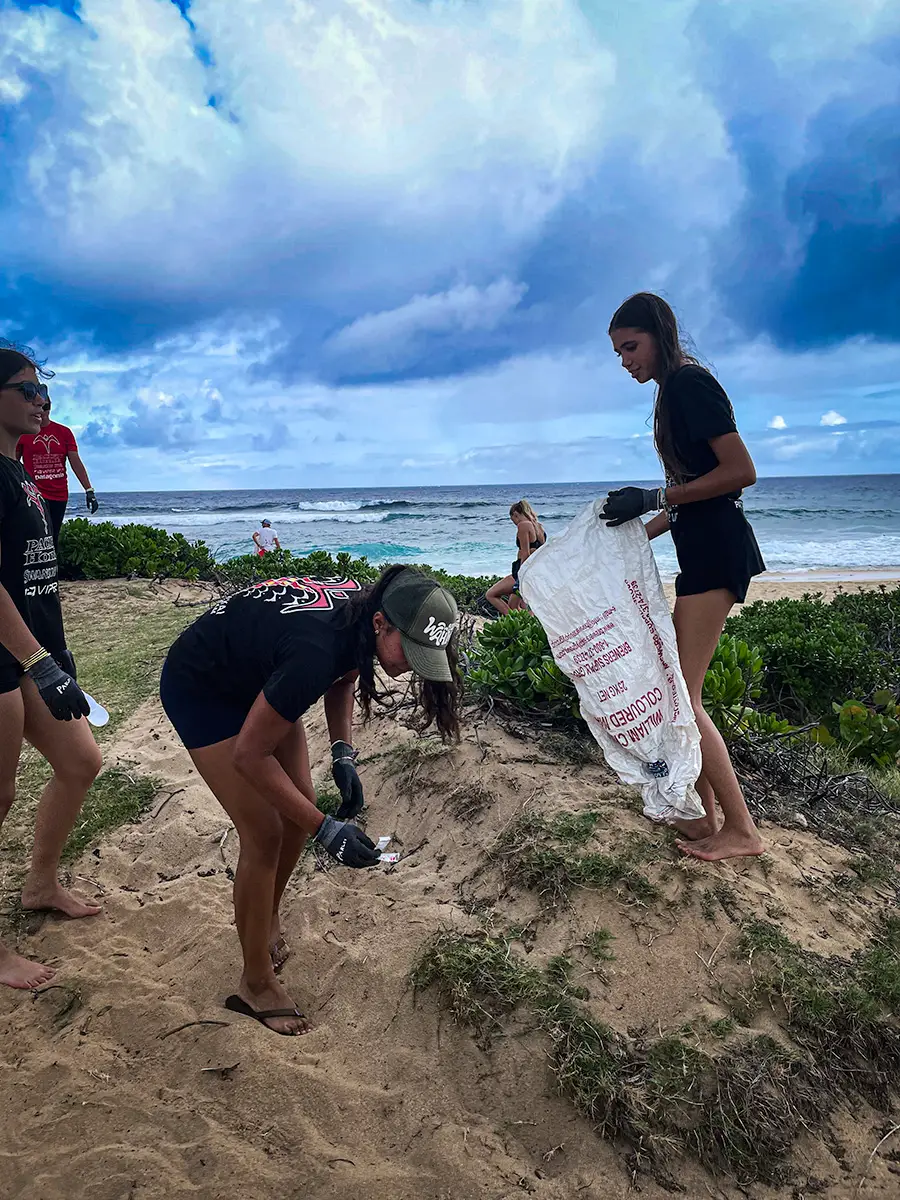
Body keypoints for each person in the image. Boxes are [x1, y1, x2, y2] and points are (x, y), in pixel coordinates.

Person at [159, 564, 461, 1035]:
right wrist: (328, 830)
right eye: (412, 650)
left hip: (260, 678)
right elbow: (249, 755)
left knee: (297, 813)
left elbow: (343, 674)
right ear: (381, 623)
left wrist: (343, 754)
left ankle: (265, 915)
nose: (413, 667)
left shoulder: (360, 615)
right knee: (265, 833)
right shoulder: (313, 650)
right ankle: (254, 982)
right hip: (203, 687)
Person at [601, 292, 764, 862]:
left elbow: (740, 472)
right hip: (703, 550)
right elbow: (685, 501)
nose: (625, 361)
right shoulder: (674, 390)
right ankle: (703, 822)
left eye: (631, 347)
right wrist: (626, 534)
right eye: (618, 352)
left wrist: (653, 494)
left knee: (683, 700)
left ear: (659, 335)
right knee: (677, 694)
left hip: (718, 554)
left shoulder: (689, 385)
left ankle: (740, 830)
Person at [0, 344, 102, 990]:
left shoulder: (22, 475)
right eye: (30, 391)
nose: (44, 403)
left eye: (47, 395)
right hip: (7, 658)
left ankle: (40, 884)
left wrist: (54, 657)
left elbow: (34, 580)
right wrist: (36, 662)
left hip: (34, 653)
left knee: (81, 762)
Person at [17, 393, 98, 549]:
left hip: (59, 494)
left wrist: (89, 490)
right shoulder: (25, 433)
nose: (43, 411)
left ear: (50, 407)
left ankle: (52, 572)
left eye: (46, 407)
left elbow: (75, 462)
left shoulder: (64, 432)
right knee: (36, 535)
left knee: (53, 537)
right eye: (39, 407)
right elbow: (13, 462)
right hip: (34, 494)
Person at [486, 500, 547, 615]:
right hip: (534, 568)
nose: (514, 522)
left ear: (516, 514)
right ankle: (527, 624)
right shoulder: (538, 527)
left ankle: (515, 623)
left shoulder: (523, 525)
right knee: (522, 606)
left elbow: (525, 553)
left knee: (491, 595)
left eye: (512, 519)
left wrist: (522, 575)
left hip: (523, 568)